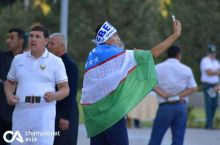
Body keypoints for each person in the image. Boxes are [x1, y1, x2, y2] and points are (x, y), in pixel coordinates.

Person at [81, 19, 181, 145]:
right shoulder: (118, 55)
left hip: (95, 119)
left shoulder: (92, 56)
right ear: (106, 40)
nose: (119, 39)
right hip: (113, 117)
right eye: (115, 35)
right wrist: (176, 34)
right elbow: (153, 53)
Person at [4, 25, 69, 145]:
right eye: (31, 36)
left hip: (44, 112)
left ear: (46, 41)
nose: (33, 39)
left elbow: (65, 89)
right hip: (21, 111)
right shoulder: (18, 59)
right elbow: (10, 82)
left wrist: (55, 95)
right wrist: (9, 95)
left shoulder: (56, 61)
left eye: (37, 36)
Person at [148, 45, 197, 145]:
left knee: (156, 139)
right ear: (178, 55)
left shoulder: (158, 68)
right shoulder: (186, 69)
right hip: (180, 106)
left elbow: (151, 85)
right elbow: (193, 88)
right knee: (178, 140)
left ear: (168, 55)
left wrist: (165, 95)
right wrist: (178, 96)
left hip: (164, 106)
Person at [47, 33, 79, 145]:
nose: (48, 46)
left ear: (62, 46)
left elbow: (71, 92)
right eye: (48, 43)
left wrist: (66, 116)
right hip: (53, 112)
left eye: (52, 43)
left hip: (64, 115)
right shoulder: (51, 63)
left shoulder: (69, 65)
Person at [0, 28, 26, 145]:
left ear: (21, 41)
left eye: (12, 38)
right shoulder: (1, 57)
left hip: (22, 110)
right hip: (2, 110)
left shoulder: (29, 59)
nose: (8, 41)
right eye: (7, 37)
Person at [200, 44, 220, 129]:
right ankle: (209, 124)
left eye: (214, 53)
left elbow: (215, 73)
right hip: (207, 85)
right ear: (208, 52)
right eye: (211, 52)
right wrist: (216, 72)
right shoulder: (205, 60)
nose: (213, 54)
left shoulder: (216, 62)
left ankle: (209, 123)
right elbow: (208, 73)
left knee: (214, 104)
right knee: (209, 104)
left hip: (216, 86)